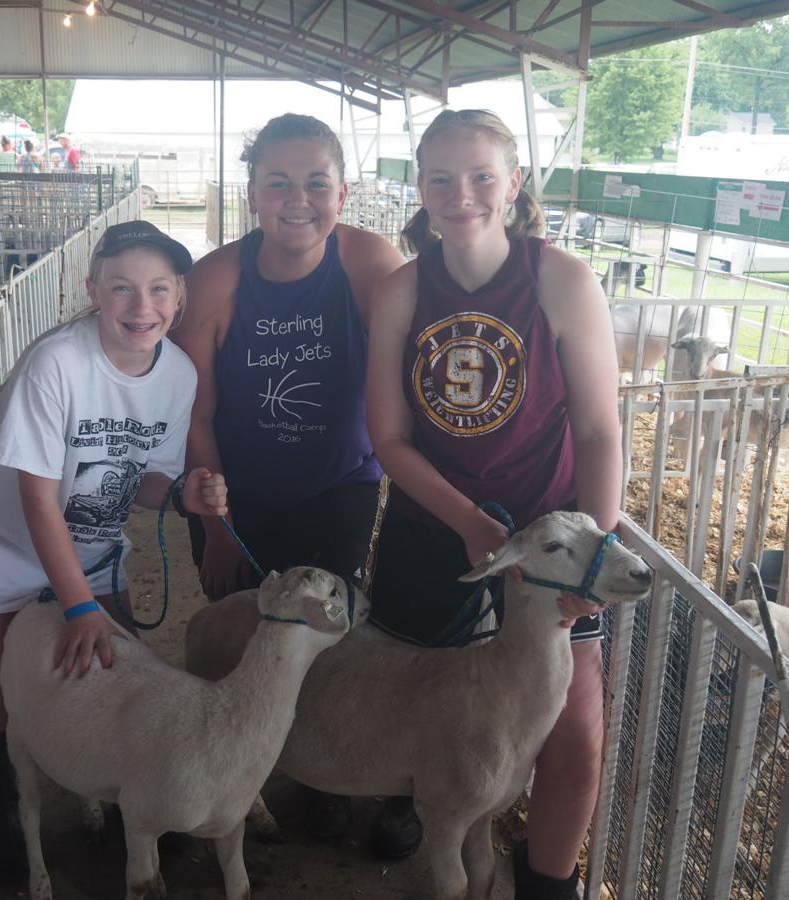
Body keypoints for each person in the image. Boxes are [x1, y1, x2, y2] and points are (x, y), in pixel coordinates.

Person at [365, 108, 621, 899]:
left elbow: (600, 428)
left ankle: (549, 879)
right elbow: (389, 438)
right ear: (421, 189)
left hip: (552, 531)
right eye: (441, 178)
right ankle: (414, 799)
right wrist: (469, 523)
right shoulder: (403, 290)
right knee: (408, 679)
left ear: (513, 185)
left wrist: (595, 551)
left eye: (481, 176)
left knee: (572, 716)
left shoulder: (560, 279)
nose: (462, 193)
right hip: (436, 518)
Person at [0, 220, 228, 882]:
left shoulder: (177, 373)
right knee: (4, 679)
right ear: (93, 289)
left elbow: (146, 478)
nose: (141, 306)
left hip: (87, 527)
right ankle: (6, 812)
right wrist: (78, 607)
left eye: (159, 289)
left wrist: (186, 494)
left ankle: (130, 802)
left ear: (179, 296)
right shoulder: (59, 363)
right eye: (122, 288)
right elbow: (36, 501)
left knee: (116, 664)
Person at [173, 112, 406, 852]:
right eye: (278, 182)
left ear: (343, 192)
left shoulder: (371, 265)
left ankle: (319, 775)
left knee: (322, 634)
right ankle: (233, 772)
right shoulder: (217, 278)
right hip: (235, 492)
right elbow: (196, 411)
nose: (296, 199)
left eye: (316, 183)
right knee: (243, 624)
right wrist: (214, 525)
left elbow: (411, 372)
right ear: (251, 193)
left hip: (338, 482)